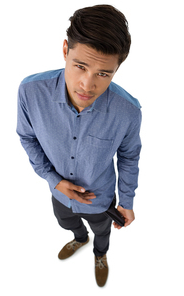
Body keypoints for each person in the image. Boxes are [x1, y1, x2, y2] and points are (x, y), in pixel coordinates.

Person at [17, 4, 142, 287]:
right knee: (66, 222)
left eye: (103, 74)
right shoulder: (29, 92)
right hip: (58, 195)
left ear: (117, 69)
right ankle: (79, 239)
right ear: (65, 50)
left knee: (102, 231)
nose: (87, 85)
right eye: (80, 66)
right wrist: (53, 180)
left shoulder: (129, 112)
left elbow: (129, 157)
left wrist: (127, 201)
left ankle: (100, 253)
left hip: (100, 200)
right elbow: (27, 137)